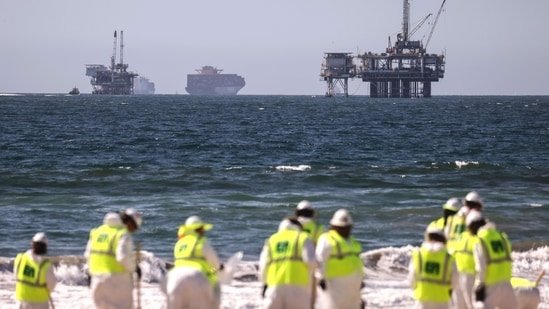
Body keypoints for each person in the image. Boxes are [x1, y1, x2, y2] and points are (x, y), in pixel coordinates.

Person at [84, 208, 143, 309]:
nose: (132, 231)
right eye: (134, 228)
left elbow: (88, 255)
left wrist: (88, 273)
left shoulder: (97, 232)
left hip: (96, 281)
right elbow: (122, 257)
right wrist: (135, 268)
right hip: (116, 281)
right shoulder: (122, 234)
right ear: (130, 222)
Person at [163, 215, 222, 309]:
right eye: (201, 229)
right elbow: (215, 263)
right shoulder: (200, 241)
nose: (203, 231)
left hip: (175, 278)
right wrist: (218, 268)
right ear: (197, 230)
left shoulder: (179, 244)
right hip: (196, 277)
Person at [259, 216, 316, 309]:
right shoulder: (303, 237)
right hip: (299, 289)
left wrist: (264, 284)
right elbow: (311, 262)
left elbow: (263, 265)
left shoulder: (271, 240)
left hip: (275, 288)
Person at [467, 210, 517, 309]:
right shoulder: (502, 237)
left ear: (472, 227)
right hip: (507, 285)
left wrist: (479, 287)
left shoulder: (479, 241)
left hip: (490, 288)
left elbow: (481, 268)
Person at [315, 209, 364, 309]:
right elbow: (319, 259)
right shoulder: (326, 239)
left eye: (348, 228)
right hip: (335, 284)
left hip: (353, 285)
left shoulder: (350, 240)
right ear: (335, 227)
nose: (347, 230)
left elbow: (356, 260)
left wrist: (361, 279)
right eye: (344, 228)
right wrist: (321, 278)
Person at [408, 226, 458, 309]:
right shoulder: (448, 257)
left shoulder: (418, 254)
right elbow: (455, 279)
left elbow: (412, 277)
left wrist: (414, 289)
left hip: (422, 298)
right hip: (442, 299)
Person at [14, 232, 57, 309]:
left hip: (21, 303)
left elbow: (16, 276)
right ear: (45, 247)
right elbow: (51, 285)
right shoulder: (45, 265)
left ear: (32, 244)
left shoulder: (20, 259)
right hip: (40, 304)